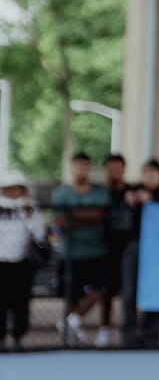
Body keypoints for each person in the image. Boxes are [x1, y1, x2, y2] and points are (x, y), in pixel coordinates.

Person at [51, 151, 111, 347]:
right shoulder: (62, 192)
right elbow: (62, 222)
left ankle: (71, 320)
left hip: (96, 250)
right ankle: (71, 328)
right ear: (72, 168)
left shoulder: (100, 191)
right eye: (78, 166)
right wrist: (85, 216)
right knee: (71, 293)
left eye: (86, 166)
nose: (82, 170)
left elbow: (99, 214)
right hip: (71, 252)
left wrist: (74, 214)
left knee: (99, 289)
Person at [121, 158, 159, 348]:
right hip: (135, 245)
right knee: (130, 292)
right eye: (146, 174)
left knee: (155, 291)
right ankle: (129, 335)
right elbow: (125, 194)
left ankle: (151, 335)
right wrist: (132, 197)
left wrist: (152, 199)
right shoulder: (135, 190)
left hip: (158, 249)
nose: (149, 178)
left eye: (153, 174)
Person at [0, 171, 46, 352]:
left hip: (21, 261)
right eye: (9, 188)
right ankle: (1, 338)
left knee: (21, 301)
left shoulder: (30, 207)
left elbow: (40, 234)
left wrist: (29, 214)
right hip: (1, 261)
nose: (13, 191)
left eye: (16, 187)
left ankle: (18, 336)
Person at [101, 153, 132, 348]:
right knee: (106, 291)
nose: (115, 172)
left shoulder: (133, 191)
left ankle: (129, 330)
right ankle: (105, 329)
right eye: (111, 169)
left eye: (118, 168)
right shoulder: (100, 193)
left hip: (128, 248)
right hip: (105, 248)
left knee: (129, 291)